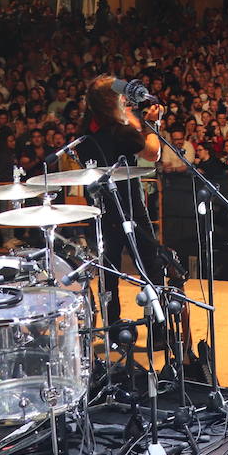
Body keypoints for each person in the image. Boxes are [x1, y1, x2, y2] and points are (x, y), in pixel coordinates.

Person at [79, 75, 168, 331]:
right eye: (120, 97)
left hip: (100, 207)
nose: (124, 99)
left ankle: (113, 328)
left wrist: (131, 116)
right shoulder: (123, 131)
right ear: (112, 101)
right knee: (149, 265)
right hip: (128, 204)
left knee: (109, 270)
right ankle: (157, 328)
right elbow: (152, 152)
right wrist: (152, 124)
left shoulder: (86, 127)